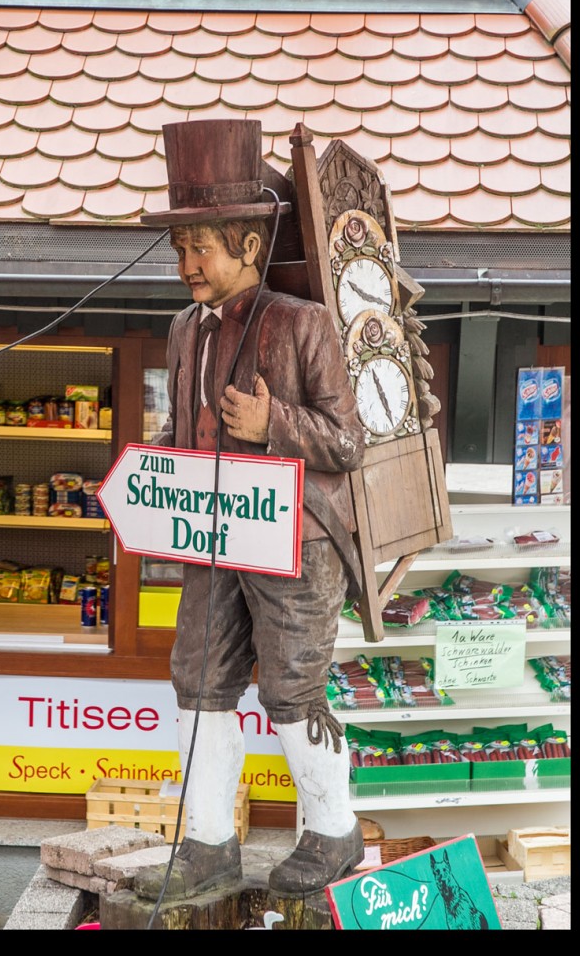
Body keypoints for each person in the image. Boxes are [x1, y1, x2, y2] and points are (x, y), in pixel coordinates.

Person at [134, 119, 367, 901]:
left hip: (296, 541)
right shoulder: (181, 330)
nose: (186, 264)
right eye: (180, 248)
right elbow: (178, 429)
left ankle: (333, 829)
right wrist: (152, 479)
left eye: (201, 246)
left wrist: (276, 425)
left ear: (248, 247)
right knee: (198, 678)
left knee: (293, 687)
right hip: (211, 531)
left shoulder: (305, 326)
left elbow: (348, 441)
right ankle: (207, 843)